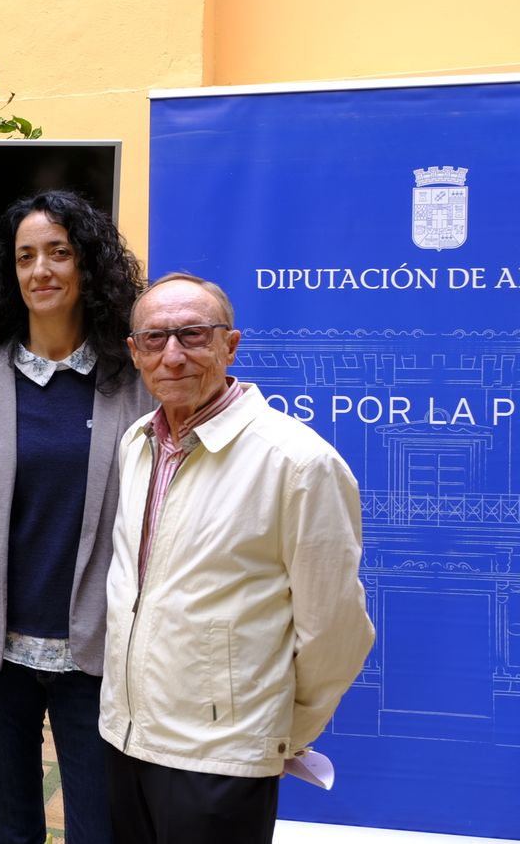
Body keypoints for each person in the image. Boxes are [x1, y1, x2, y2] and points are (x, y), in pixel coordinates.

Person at [101, 272, 375, 844]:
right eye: (154, 339)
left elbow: (336, 632)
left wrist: (274, 731)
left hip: (221, 758)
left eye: (193, 336)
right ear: (134, 353)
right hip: (126, 737)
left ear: (230, 345)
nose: (172, 355)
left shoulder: (297, 463)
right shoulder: (136, 444)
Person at [0, 190, 152, 844]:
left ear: (88, 266)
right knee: (11, 827)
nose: (41, 269)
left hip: (98, 653)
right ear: (11, 272)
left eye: (59, 252)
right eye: (26, 256)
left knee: (102, 829)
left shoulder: (132, 382)